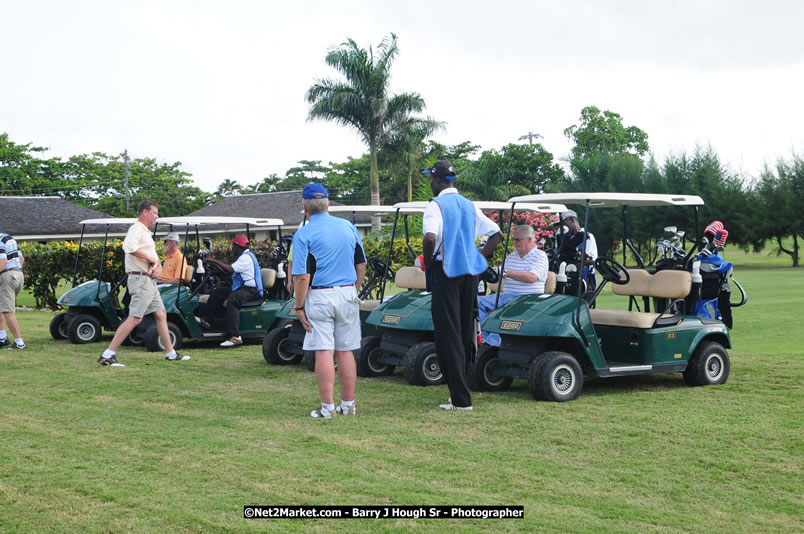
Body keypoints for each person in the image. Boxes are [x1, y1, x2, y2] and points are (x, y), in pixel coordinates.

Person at [421, 161, 503, 412]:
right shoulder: (470, 205)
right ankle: (461, 391)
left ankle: (460, 399)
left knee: (448, 335)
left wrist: (429, 261)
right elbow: (497, 234)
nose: (430, 183)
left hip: (446, 273)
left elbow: (430, 238)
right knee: (466, 331)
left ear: (437, 180)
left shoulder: (435, 205)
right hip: (469, 274)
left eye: (430, 179)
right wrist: (478, 256)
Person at [292, 183, 366, 419]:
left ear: (305, 207)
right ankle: (349, 405)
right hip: (347, 292)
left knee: (324, 351)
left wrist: (299, 306)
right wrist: (353, 289)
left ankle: (328, 408)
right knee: (345, 351)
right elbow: (361, 263)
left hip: (320, 295)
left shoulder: (303, 234)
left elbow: (302, 276)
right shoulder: (348, 226)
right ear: (328, 204)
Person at [99, 200, 189, 366]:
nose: (157, 216)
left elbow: (154, 257)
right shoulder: (137, 229)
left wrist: (157, 266)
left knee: (161, 314)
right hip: (141, 280)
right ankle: (107, 355)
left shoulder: (146, 232)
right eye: (155, 213)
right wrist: (150, 259)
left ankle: (171, 353)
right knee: (135, 318)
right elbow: (129, 247)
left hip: (149, 281)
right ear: (145, 212)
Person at [477, 225, 549, 347]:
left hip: (528, 298)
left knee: (505, 311)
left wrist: (506, 273)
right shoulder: (512, 256)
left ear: (530, 240)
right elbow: (500, 272)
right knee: (476, 301)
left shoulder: (539, 256)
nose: (514, 243)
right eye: (513, 239)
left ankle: (492, 344)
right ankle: (482, 338)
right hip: (508, 296)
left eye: (517, 240)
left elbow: (532, 277)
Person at [200, 235, 263, 347]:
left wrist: (213, 260)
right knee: (217, 292)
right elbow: (229, 267)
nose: (232, 248)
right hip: (241, 288)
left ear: (239, 247)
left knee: (233, 300)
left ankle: (235, 336)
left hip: (251, 290)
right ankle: (208, 321)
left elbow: (230, 268)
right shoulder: (242, 256)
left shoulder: (246, 258)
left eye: (234, 246)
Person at [559, 210, 598, 291]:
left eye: (565, 224)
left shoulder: (587, 236)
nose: (563, 227)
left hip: (583, 277)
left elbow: (592, 260)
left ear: (572, 221)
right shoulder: (565, 238)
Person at [0, 231, 26, 350]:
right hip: (18, 274)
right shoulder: (8, 238)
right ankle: (2, 338)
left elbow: (3, 261)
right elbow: (21, 259)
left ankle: (19, 343)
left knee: (7, 311)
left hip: (7, 276)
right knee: (2, 307)